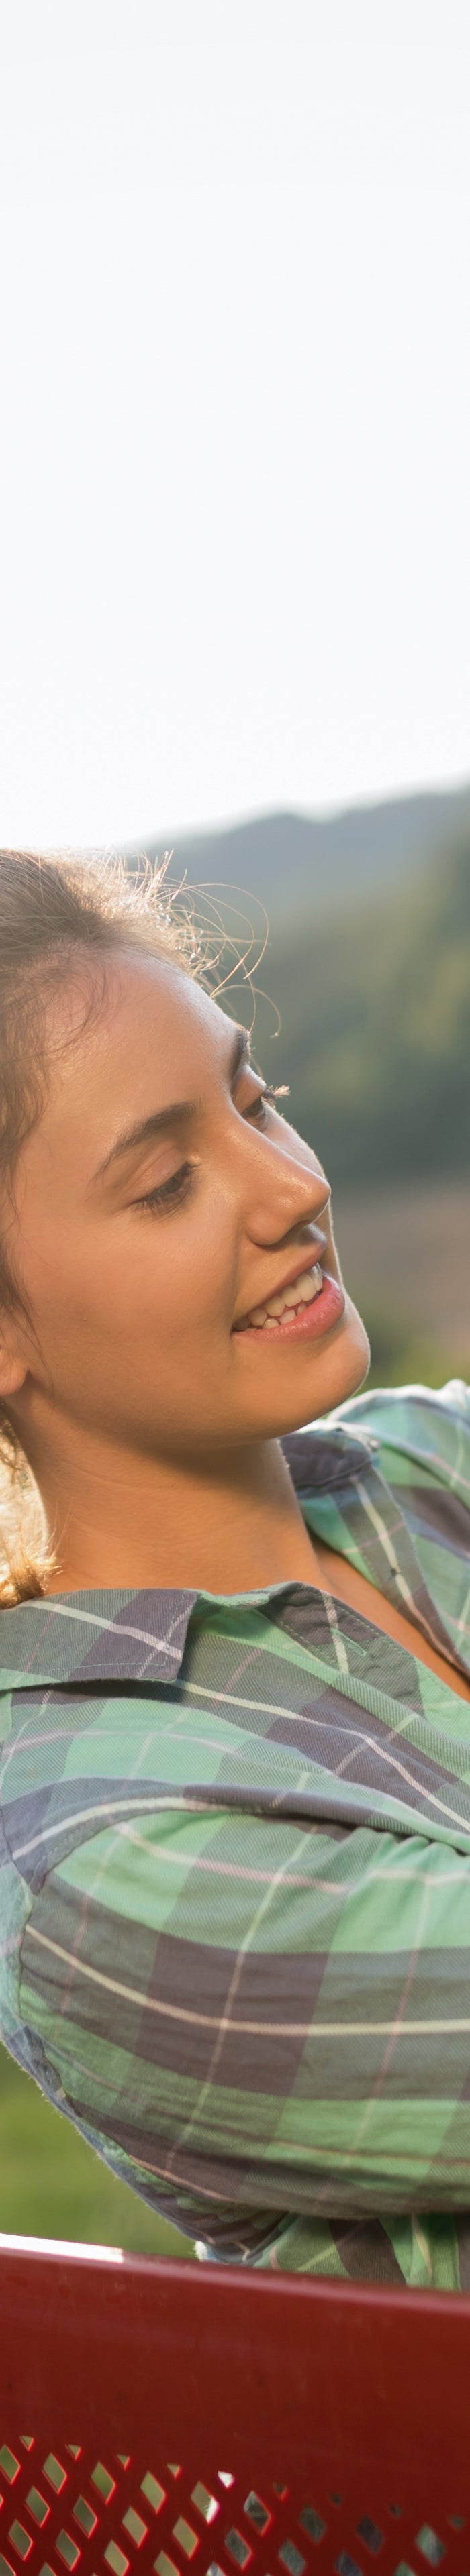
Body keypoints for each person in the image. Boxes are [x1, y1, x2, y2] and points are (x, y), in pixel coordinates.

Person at [0, 847, 469, 2294]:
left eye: (256, 1100)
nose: (291, 1186)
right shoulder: (105, 1868)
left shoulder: (424, 1467)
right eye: (164, 1184)